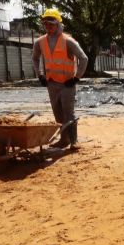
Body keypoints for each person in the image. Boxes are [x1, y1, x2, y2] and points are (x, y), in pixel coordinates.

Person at [32, 8, 88, 149]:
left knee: (69, 113)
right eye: (46, 24)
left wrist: (76, 78)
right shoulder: (40, 42)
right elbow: (35, 58)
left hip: (67, 84)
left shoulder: (68, 41)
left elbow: (84, 58)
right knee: (57, 114)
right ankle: (64, 139)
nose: (48, 27)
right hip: (51, 83)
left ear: (58, 24)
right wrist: (40, 74)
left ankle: (73, 141)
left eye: (51, 24)